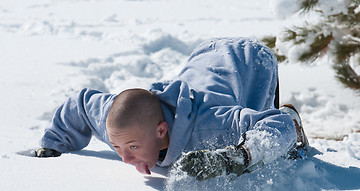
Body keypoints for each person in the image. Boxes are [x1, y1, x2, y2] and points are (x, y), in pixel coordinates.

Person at [36, 37, 308, 180]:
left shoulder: (209, 125)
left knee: (274, 152)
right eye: (119, 148)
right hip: (206, 54)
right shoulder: (122, 128)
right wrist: (54, 144)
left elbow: (274, 125)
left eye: (132, 148)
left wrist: (236, 157)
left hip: (249, 62)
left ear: (161, 130)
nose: (124, 159)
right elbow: (82, 104)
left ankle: (293, 119)